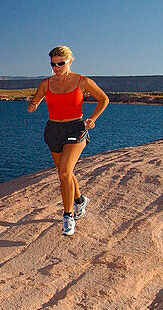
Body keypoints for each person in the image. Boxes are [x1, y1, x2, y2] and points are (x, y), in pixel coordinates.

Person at [26, 45, 109, 236]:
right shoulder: (46, 84)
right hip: (53, 130)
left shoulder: (82, 81)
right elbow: (36, 101)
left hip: (75, 128)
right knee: (65, 172)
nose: (56, 68)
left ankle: (68, 215)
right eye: (53, 64)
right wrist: (32, 106)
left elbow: (103, 99)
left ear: (70, 61)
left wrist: (92, 119)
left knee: (64, 171)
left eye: (60, 64)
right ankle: (80, 200)